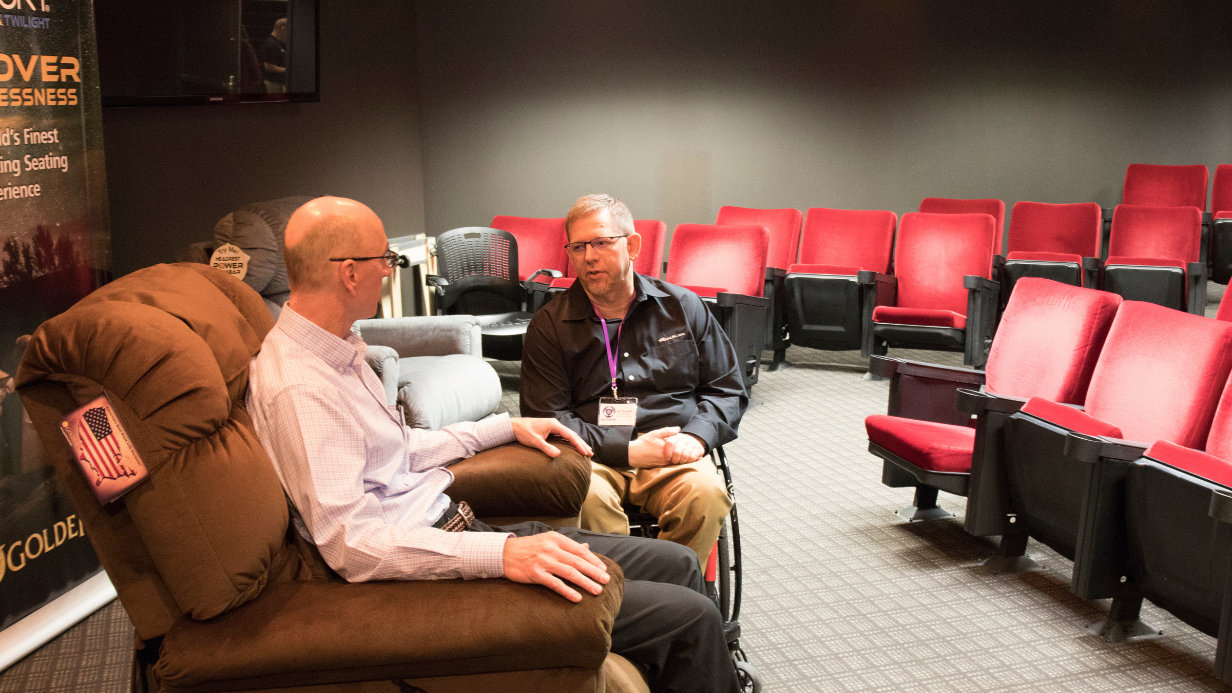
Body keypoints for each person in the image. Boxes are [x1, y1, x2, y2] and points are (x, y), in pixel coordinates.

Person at [246, 196, 740, 693]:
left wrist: (502, 427)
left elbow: (399, 450)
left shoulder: (342, 353)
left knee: (677, 563)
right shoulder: (301, 387)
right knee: (692, 617)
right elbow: (352, 546)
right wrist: (500, 554)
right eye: (387, 261)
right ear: (350, 274)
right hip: (435, 563)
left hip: (455, 523)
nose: (390, 273)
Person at [520, 194, 747, 565]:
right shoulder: (549, 326)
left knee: (706, 494)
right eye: (577, 247)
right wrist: (626, 450)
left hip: (674, 450)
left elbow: (727, 389)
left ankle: (673, 595)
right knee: (584, 500)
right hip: (591, 455)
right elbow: (547, 416)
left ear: (633, 246)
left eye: (602, 242)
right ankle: (624, 602)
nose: (589, 256)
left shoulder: (682, 307)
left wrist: (697, 435)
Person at [260, 18, 288, 94]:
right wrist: (288, 70)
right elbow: (268, 66)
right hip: (273, 84)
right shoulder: (270, 43)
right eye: (288, 32)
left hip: (278, 83)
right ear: (283, 29)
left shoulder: (278, 43)